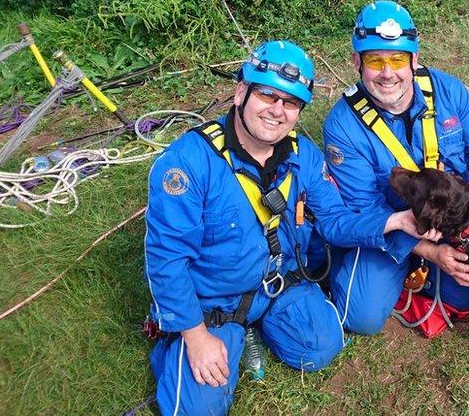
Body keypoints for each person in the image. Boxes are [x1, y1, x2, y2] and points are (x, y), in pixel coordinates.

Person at [144, 40, 430, 414]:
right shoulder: (187, 164)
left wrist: (394, 221)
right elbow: (166, 259)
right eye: (267, 95)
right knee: (197, 409)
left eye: (291, 102)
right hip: (215, 303)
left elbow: (334, 220)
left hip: (278, 285)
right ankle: (187, 343)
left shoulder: (302, 156)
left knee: (321, 348)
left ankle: (259, 323)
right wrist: (196, 335)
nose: (277, 111)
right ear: (240, 92)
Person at [322, 0, 469, 336]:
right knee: (362, 316)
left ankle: (419, 276)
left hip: (450, 220)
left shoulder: (447, 89)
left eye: (398, 59)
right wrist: (430, 251)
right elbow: (365, 207)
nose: (387, 73)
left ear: (414, 59)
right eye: (375, 60)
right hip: (394, 226)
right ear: (357, 62)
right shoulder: (342, 125)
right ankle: (379, 267)